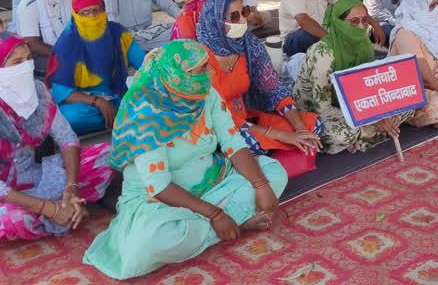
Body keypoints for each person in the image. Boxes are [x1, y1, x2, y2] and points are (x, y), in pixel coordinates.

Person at [83, 40, 287, 279]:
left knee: (274, 173)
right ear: (176, 75)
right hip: (158, 200)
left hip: (213, 180)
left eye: (206, 66)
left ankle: (210, 227)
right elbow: (159, 187)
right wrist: (215, 215)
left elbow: (233, 143)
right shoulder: (147, 112)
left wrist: (260, 185)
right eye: (200, 70)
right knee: (153, 238)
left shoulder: (206, 92)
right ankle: (232, 226)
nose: (209, 74)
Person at [0, 34, 113, 241]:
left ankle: (68, 207)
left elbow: (67, 138)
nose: (26, 67)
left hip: (36, 175)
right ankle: (64, 214)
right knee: (11, 219)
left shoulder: (38, 90)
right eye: (17, 62)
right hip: (6, 194)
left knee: (107, 155)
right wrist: (47, 208)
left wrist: (71, 187)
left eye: (28, 59)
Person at [197, 0, 322, 157]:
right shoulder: (200, 60)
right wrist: (284, 135)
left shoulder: (248, 44)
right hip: (216, 126)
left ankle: (266, 151)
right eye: (234, 16)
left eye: (244, 12)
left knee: (314, 126)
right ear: (215, 22)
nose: (243, 20)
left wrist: (299, 129)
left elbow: (274, 89)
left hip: (248, 117)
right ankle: (267, 149)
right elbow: (217, 118)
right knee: (249, 144)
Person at [294, 0, 411, 153]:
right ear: (338, 22)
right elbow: (322, 107)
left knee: (406, 108)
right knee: (344, 135)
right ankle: (364, 134)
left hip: (354, 106)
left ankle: (365, 133)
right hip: (315, 110)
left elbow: (368, 86)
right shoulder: (323, 54)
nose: (361, 27)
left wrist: (381, 113)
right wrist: (374, 119)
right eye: (354, 22)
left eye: (364, 21)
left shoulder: (364, 45)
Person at [47, 0, 145, 134]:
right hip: (85, 102)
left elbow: (144, 64)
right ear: (76, 15)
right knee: (69, 118)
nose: (92, 17)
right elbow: (61, 91)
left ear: (104, 11)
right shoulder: (67, 43)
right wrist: (98, 102)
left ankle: (118, 115)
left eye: (96, 11)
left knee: (152, 96)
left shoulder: (117, 33)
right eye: (85, 12)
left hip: (118, 94)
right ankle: (123, 117)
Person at [16, 0, 74, 74]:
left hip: (67, 50)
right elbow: (32, 44)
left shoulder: (69, 0)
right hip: (39, 56)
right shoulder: (29, 6)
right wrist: (64, 54)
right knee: (68, 65)